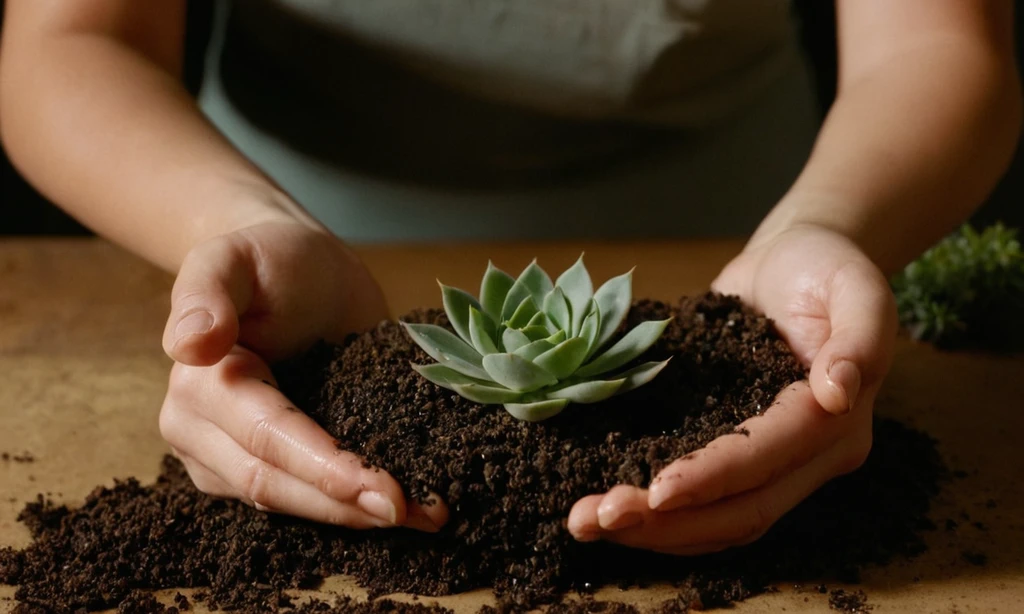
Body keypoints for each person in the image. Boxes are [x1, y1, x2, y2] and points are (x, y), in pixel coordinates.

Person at [0, 0, 1019, 552]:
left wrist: (827, 224)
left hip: (749, 221)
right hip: (281, 222)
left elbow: (931, 41)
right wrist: (235, 224)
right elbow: (72, 37)